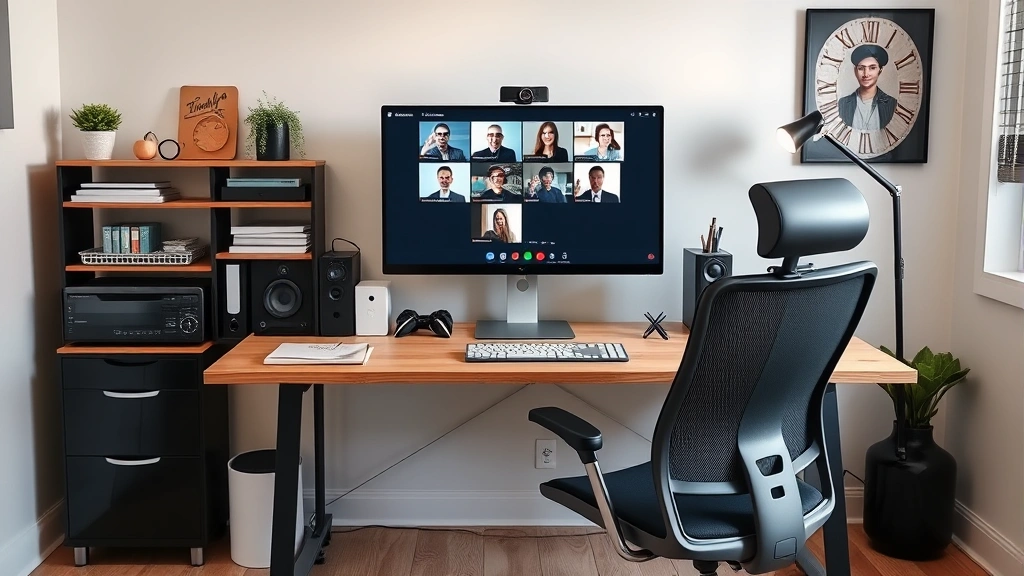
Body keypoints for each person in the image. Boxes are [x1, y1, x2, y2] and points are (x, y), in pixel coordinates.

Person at [838, 44, 896, 131]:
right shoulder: (843, 104)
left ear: (880, 70)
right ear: (855, 71)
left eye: (872, 68)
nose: (866, 74)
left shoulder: (891, 104)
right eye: (861, 68)